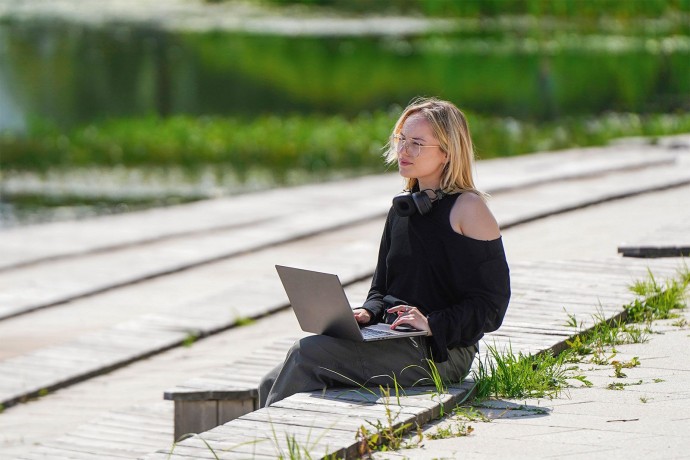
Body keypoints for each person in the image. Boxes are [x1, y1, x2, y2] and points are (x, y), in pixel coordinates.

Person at [259, 97, 511, 408]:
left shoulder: (468, 209)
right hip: (394, 339)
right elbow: (381, 288)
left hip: (442, 352)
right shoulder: (403, 208)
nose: (403, 151)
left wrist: (432, 323)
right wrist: (367, 313)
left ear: (447, 153)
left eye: (417, 143)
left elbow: (492, 306)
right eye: (401, 139)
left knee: (305, 355)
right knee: (270, 379)